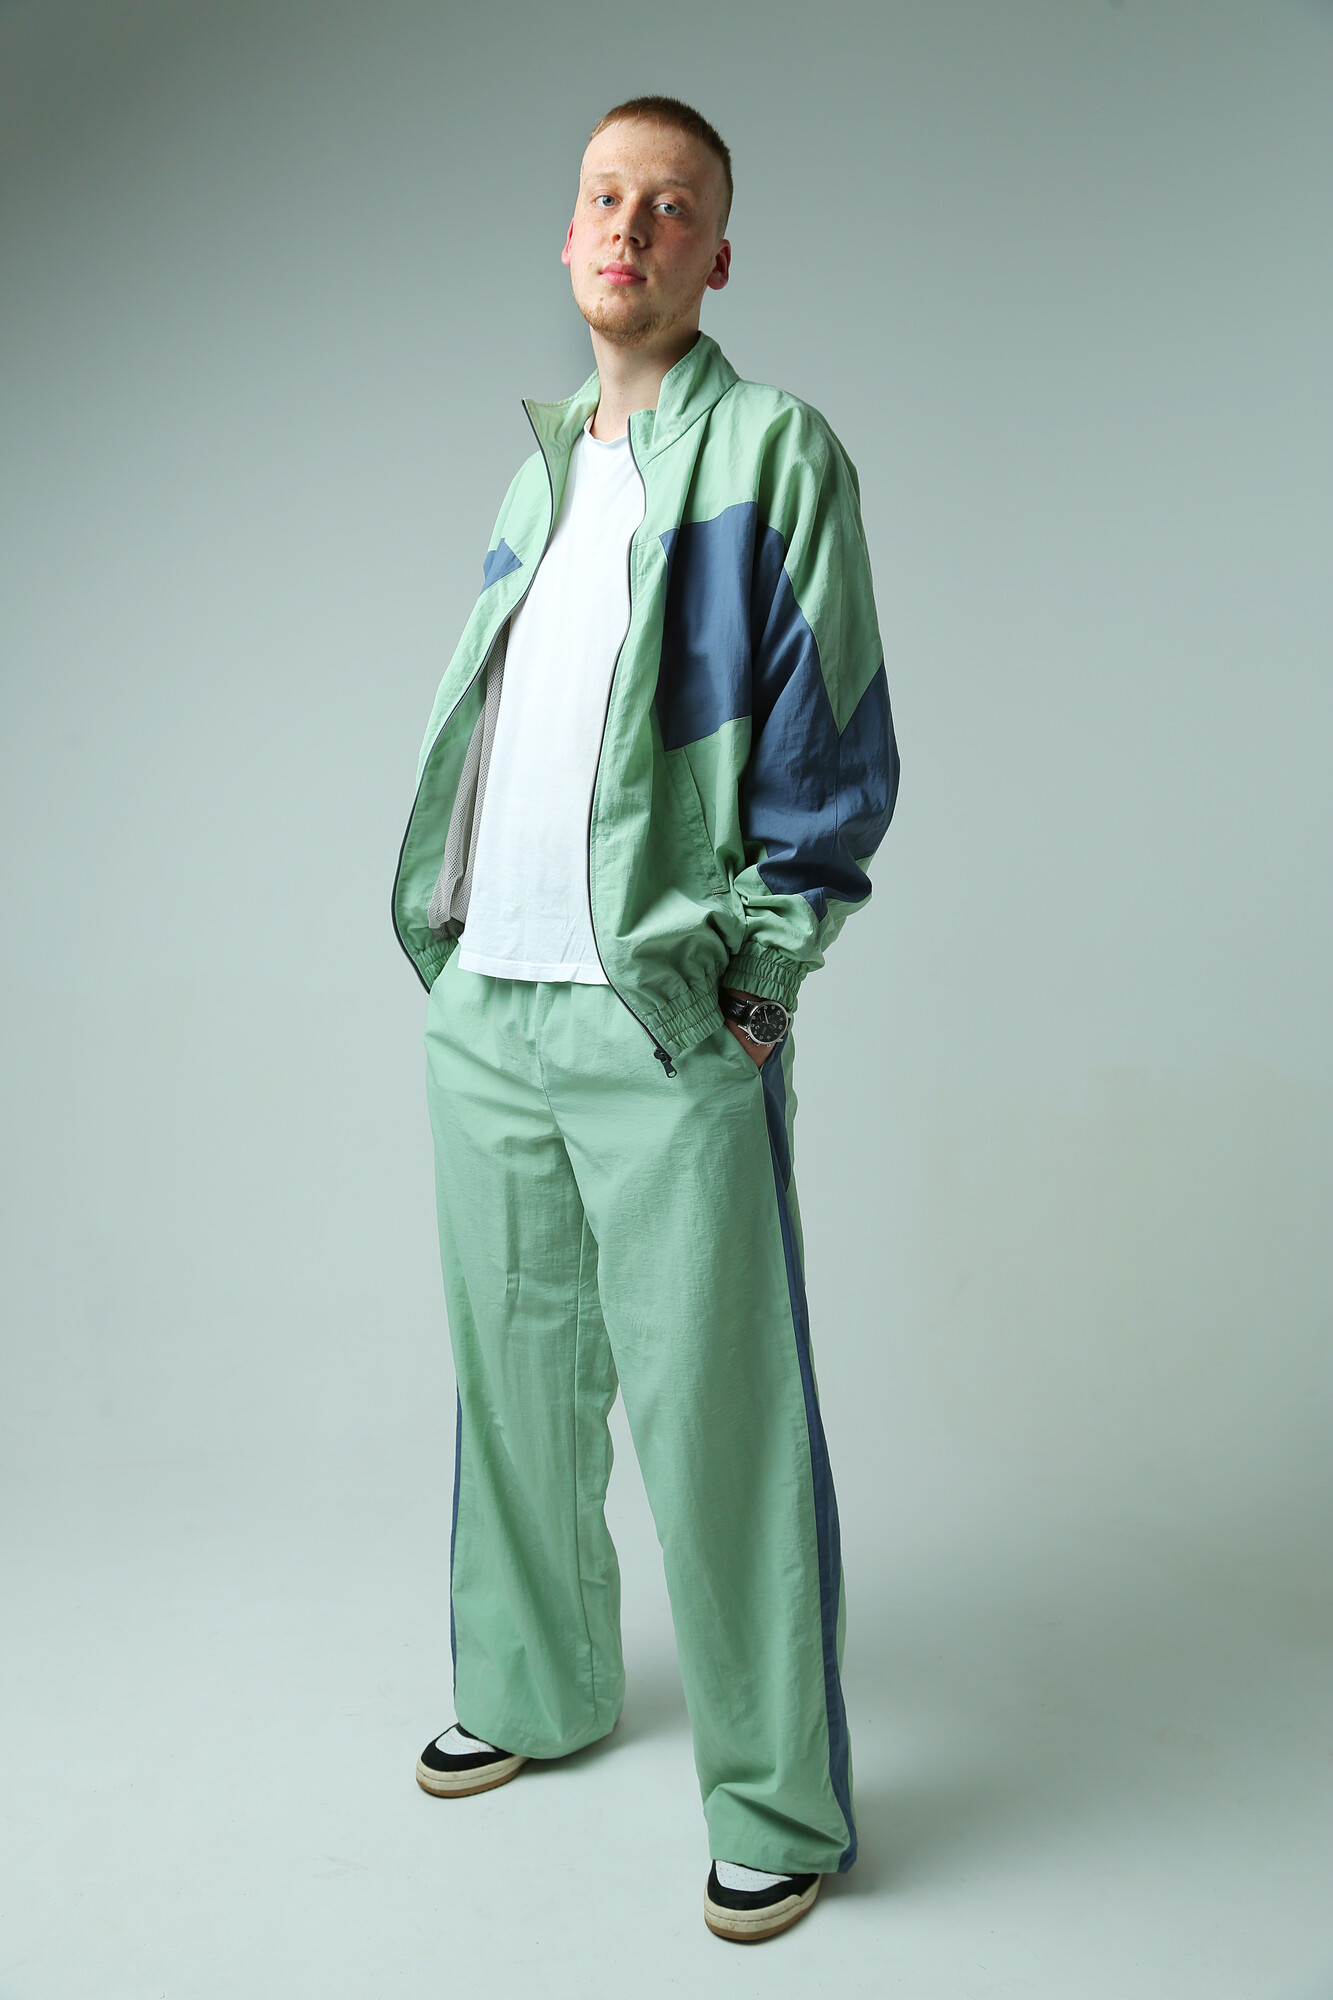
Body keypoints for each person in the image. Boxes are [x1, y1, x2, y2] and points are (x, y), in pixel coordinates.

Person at [390, 93, 900, 1944]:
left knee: (721, 1421)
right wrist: (449, 944)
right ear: (566, 237)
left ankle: (776, 1804)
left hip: (663, 1025)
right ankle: (533, 1692)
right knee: (516, 1384)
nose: (630, 226)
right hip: (492, 1005)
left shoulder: (774, 452)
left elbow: (832, 738)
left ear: (715, 256)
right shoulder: (536, 473)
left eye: (669, 205)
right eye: (605, 196)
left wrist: (755, 981)